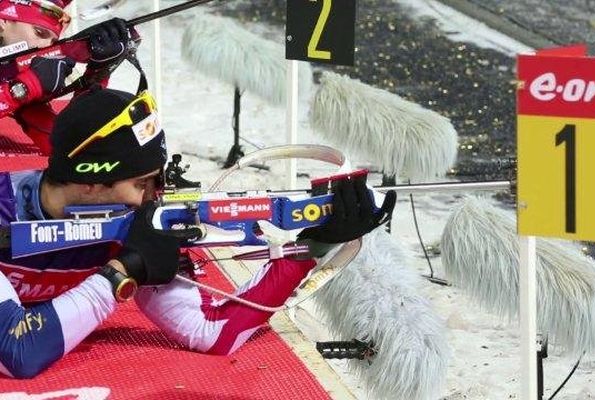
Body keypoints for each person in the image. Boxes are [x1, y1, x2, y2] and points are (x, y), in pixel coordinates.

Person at [0, 87, 397, 379]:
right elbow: (18, 352)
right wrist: (121, 273)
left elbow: (211, 332)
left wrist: (312, 246)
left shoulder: (131, 221)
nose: (154, 198)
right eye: (142, 183)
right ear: (89, 183)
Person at [0, 0, 129, 154]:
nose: (45, 47)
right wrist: (24, 88)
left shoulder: (13, 71)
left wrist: (98, 71)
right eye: (39, 32)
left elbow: (69, 147)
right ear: (4, 21)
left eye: (53, 42)